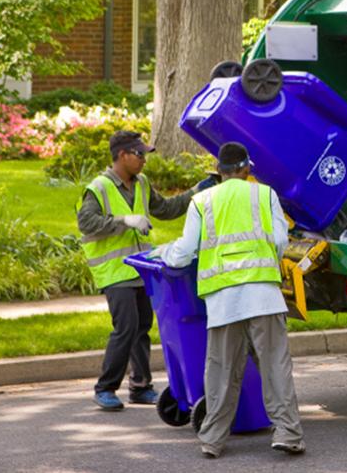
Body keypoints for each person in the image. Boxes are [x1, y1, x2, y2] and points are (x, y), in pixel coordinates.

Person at [158, 141, 304, 459]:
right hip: (264, 297)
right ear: (247, 168)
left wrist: (163, 253)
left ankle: (212, 439)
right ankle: (288, 433)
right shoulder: (265, 195)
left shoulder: (202, 201)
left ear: (219, 171)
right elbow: (280, 241)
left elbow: (183, 254)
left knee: (221, 370)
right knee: (274, 365)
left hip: (224, 302)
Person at [77, 130, 215, 411]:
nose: (143, 160)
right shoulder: (99, 187)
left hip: (140, 270)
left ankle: (140, 386)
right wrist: (125, 220)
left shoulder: (141, 183)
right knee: (126, 327)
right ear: (122, 155)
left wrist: (195, 193)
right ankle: (105, 387)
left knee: (142, 327)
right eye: (139, 154)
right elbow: (87, 222)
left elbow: (164, 209)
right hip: (115, 272)